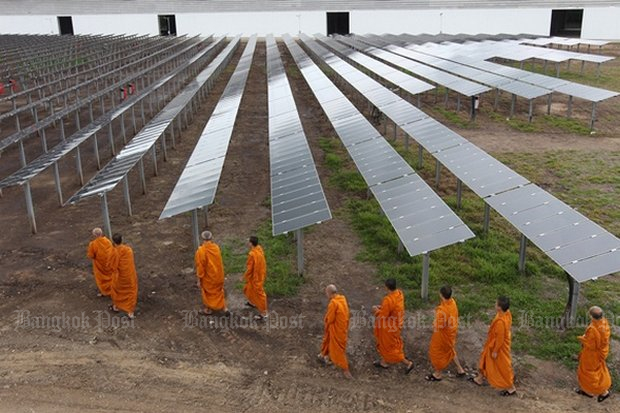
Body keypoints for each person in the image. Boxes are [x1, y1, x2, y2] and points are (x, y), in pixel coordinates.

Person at [469, 296, 516, 396]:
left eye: (496, 303)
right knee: (485, 359)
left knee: (503, 366)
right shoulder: (507, 314)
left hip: (498, 347)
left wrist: (495, 351)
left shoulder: (500, 323)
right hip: (493, 344)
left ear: (499, 307)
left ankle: (511, 387)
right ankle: (480, 378)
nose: (494, 304)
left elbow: (500, 339)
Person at [372, 278, 414, 374]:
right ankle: (383, 362)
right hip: (396, 324)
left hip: (389, 327)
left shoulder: (388, 300)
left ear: (386, 287)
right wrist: (382, 308)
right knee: (386, 344)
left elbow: (383, 316)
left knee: (391, 347)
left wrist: (376, 311)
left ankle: (408, 363)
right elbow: (393, 309)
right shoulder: (399, 294)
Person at [426, 285, 466, 381]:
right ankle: (460, 369)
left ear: (441, 295)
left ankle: (438, 374)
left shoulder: (442, 311)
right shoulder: (452, 303)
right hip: (451, 332)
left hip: (442, 335)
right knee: (450, 348)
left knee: (436, 353)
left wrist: (434, 324)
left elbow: (438, 325)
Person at [576, 306, 611, 403]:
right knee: (599, 370)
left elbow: (590, 344)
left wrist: (582, 338)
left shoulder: (593, 329)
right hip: (602, 352)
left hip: (592, 355)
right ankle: (589, 390)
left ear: (591, 316)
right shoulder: (604, 323)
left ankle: (598, 392)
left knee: (588, 373)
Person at [318, 284, 352, 379]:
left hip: (337, 329)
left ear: (329, 293)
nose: (326, 295)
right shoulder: (342, 298)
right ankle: (324, 355)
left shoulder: (333, 303)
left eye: (326, 293)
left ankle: (345, 369)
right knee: (329, 340)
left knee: (338, 350)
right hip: (342, 328)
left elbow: (330, 319)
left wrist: (326, 320)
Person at [194, 231, 228, 315]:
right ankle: (225, 308)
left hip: (208, 277)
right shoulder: (216, 248)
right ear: (211, 238)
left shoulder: (201, 251)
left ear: (202, 239)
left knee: (207, 293)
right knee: (219, 291)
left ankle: (208, 309)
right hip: (218, 275)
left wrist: (199, 279)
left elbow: (200, 267)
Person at [109, 234, 138, 319]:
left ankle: (116, 306)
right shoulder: (128, 250)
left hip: (119, 277)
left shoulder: (114, 252)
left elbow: (111, 266)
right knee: (131, 293)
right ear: (122, 239)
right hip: (129, 276)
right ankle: (130, 312)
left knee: (118, 292)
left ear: (113, 242)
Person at [241, 236, 268, 320]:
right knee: (249, 289)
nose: (247, 242)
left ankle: (264, 313)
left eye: (248, 241)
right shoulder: (259, 249)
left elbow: (250, 268)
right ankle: (253, 302)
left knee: (260, 294)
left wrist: (244, 277)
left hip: (256, 277)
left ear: (251, 243)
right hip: (260, 274)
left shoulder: (252, 255)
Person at [86, 228, 114, 297]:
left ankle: (105, 292)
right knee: (111, 276)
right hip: (109, 263)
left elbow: (91, 255)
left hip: (99, 265)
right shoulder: (108, 241)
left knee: (102, 279)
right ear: (101, 234)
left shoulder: (93, 244)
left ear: (94, 235)